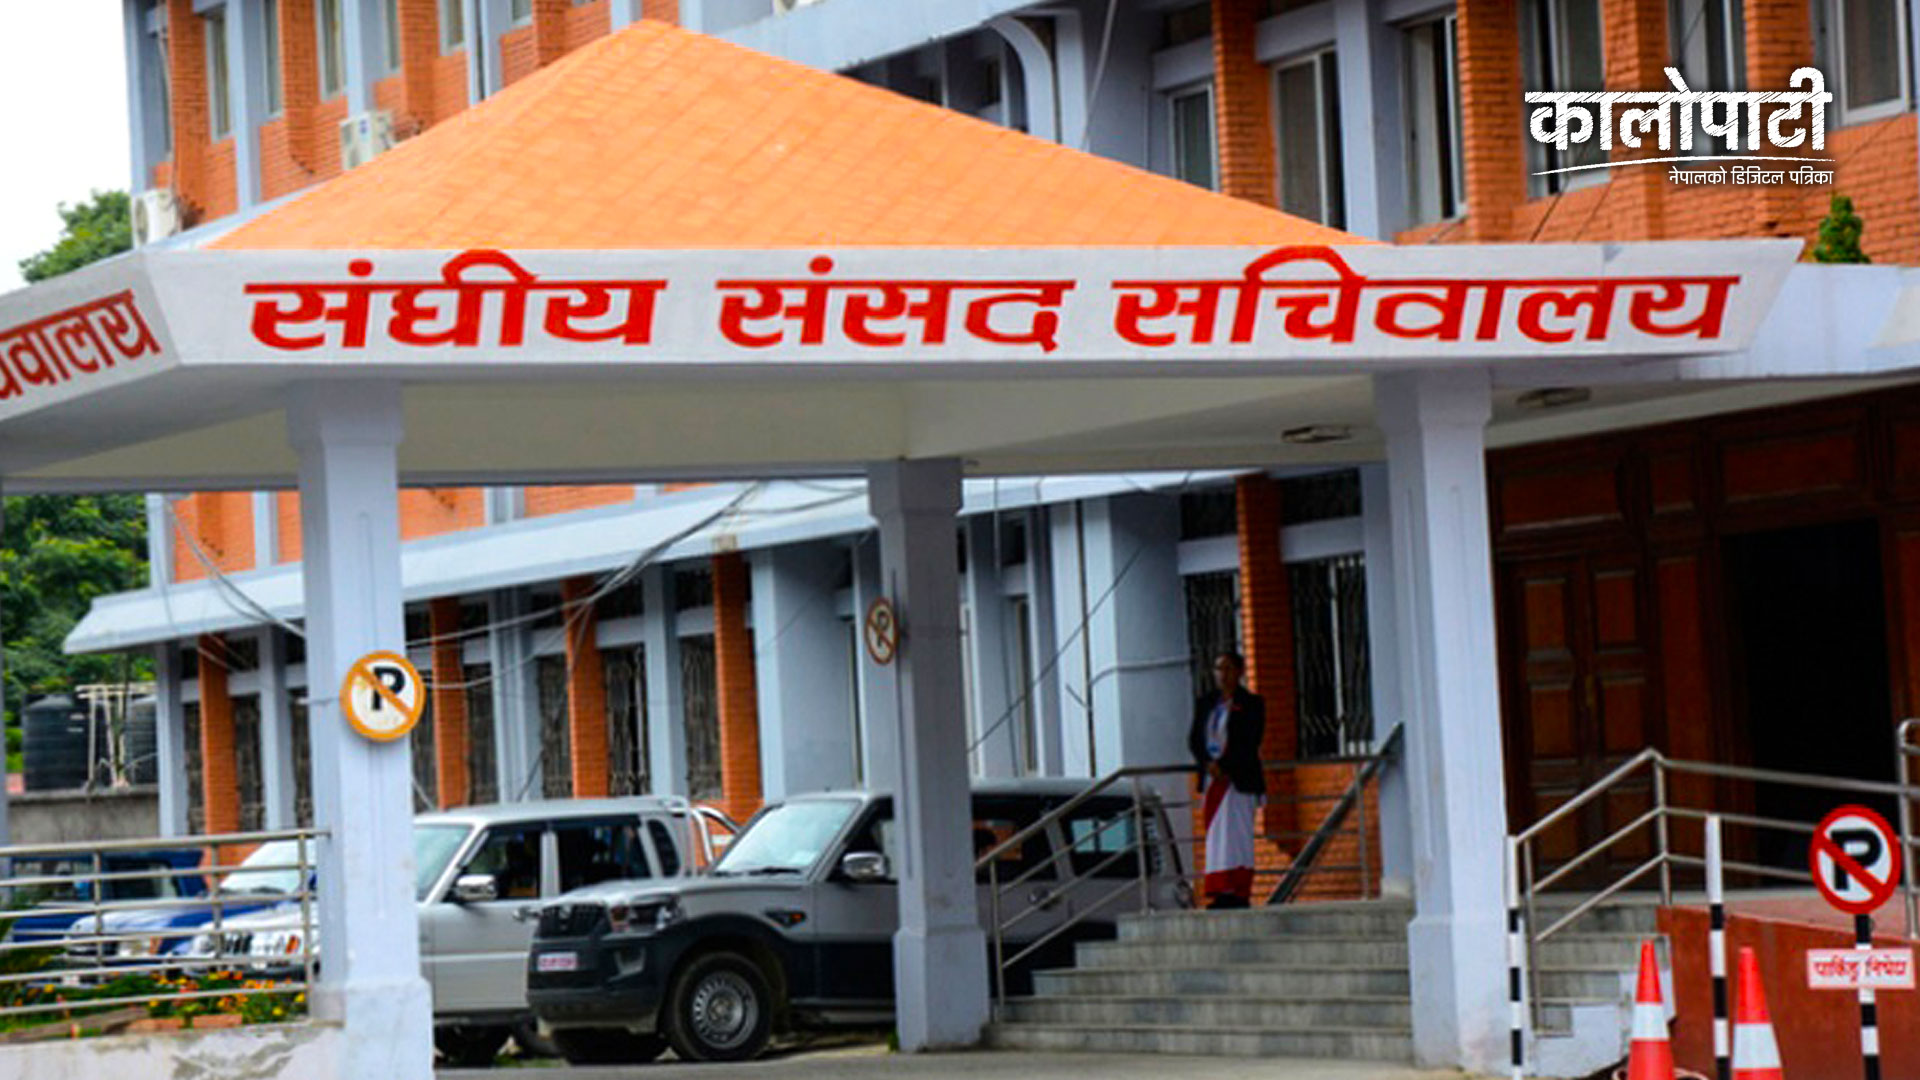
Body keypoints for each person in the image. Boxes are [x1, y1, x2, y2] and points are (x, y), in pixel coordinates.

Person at [1188, 650, 1266, 909]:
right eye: (1219, 669)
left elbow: (1249, 739)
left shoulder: (1252, 703)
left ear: (1240, 672)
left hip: (1238, 779)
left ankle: (1240, 892)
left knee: (1238, 836)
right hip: (1213, 780)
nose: (1223, 674)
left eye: (1228, 668)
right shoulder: (1206, 703)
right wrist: (1208, 764)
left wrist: (1225, 766)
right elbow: (1195, 739)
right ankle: (1221, 891)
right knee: (1217, 838)